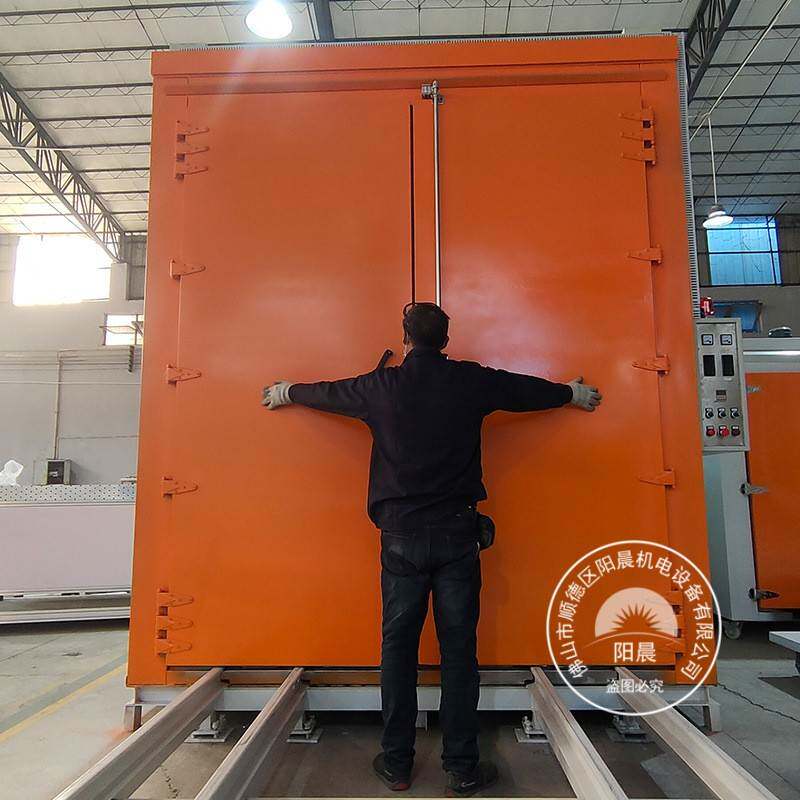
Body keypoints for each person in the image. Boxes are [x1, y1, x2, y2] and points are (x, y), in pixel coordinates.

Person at [262, 302, 602, 796]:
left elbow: (328, 392)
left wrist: (285, 391)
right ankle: (462, 767)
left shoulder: (381, 387)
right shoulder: (469, 381)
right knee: (459, 652)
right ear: (445, 340)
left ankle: (397, 763)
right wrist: (572, 393)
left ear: (405, 340)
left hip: (400, 539)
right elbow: (523, 390)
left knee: (397, 650)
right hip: (457, 537)